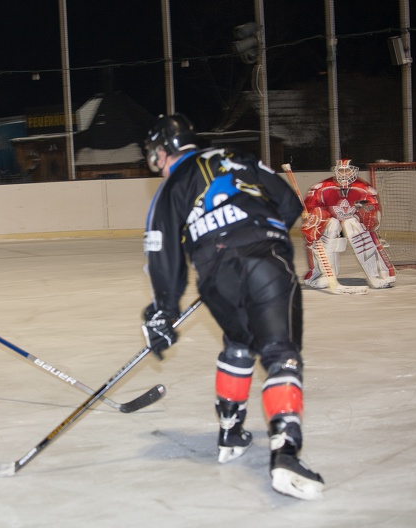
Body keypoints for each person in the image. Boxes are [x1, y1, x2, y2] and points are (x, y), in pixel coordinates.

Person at [139, 114, 324, 500]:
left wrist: (164, 310)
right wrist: (263, 229)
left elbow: (163, 252)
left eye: (155, 153)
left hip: (215, 273)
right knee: (279, 353)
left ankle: (230, 431)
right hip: (265, 257)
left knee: (238, 342)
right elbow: (289, 203)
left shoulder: (172, 186)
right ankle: (285, 452)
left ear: (166, 150)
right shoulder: (241, 158)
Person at [301, 159, 396, 289]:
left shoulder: (364, 188)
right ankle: (324, 274)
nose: (344, 173)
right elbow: (311, 207)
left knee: (352, 224)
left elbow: (373, 209)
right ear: (336, 171)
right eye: (341, 170)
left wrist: (369, 215)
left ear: (354, 171)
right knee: (331, 225)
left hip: (353, 224)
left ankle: (376, 274)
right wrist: (312, 216)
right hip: (333, 223)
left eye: (347, 170)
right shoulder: (322, 187)